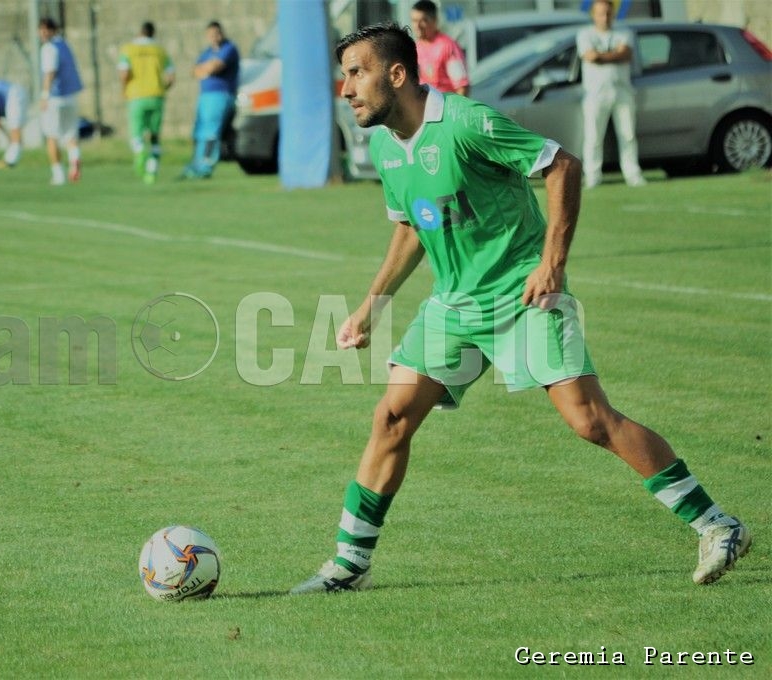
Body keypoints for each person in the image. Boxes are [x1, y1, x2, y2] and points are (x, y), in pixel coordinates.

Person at [290, 22, 750, 594]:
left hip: (522, 295)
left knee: (589, 421)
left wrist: (551, 263)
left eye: (356, 73)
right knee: (391, 418)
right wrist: (371, 306)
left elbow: (563, 166)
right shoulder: (384, 144)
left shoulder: (466, 123)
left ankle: (717, 524)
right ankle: (348, 567)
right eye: (344, 76)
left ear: (398, 74)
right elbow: (413, 226)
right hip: (455, 307)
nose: (346, 89)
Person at [577, 0, 646, 188]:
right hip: (595, 94)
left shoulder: (624, 32)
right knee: (593, 137)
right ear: (593, 15)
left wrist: (603, 56)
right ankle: (592, 176)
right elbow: (591, 56)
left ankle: (632, 174)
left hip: (622, 91)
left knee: (628, 135)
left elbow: (625, 54)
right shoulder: (585, 34)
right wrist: (612, 55)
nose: (605, 18)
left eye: (608, 13)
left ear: (613, 14)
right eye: (601, 14)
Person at [118, 21, 175, 185]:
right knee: (155, 137)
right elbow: (171, 77)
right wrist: (163, 88)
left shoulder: (128, 49)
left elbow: (124, 73)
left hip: (136, 97)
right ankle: (151, 172)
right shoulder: (160, 50)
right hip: (157, 96)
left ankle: (140, 152)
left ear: (139, 32)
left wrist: (124, 89)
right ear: (153, 33)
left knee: (136, 134)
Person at [182, 21, 238, 179]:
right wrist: (206, 68)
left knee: (210, 132)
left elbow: (215, 68)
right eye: (212, 34)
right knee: (199, 132)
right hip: (205, 96)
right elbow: (194, 71)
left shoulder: (229, 48)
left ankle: (205, 166)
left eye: (218, 33)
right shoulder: (207, 53)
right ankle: (195, 164)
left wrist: (207, 69)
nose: (216, 37)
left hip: (220, 95)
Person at [38, 17, 84, 186]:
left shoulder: (48, 48)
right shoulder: (64, 45)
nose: (42, 34)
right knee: (70, 134)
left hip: (55, 98)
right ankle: (75, 160)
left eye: (44, 30)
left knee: (52, 136)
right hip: (71, 96)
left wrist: (44, 95)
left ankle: (58, 174)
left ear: (51, 30)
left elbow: (50, 72)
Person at [410, 0, 469, 96]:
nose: (417, 26)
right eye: (414, 21)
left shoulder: (447, 47)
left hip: (445, 107)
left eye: (423, 20)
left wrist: (452, 110)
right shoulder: (415, 47)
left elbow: (462, 87)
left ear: (434, 20)